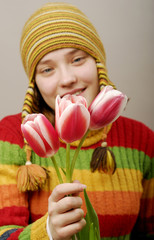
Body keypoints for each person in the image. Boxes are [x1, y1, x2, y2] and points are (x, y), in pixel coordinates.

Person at [0, 2, 153, 240]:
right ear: (35, 84)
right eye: (47, 69)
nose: (68, 79)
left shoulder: (141, 138)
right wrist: (48, 231)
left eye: (78, 59)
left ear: (98, 62)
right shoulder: (14, 135)